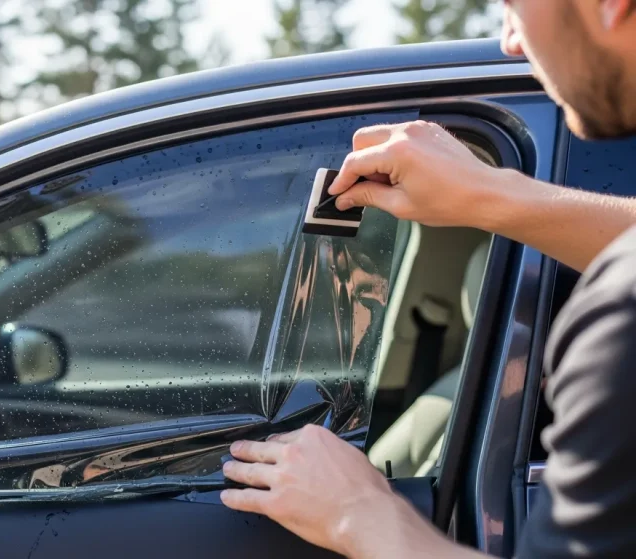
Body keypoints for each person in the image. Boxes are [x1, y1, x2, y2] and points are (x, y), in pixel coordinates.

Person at [220, 1, 636, 557]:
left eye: (514, 5)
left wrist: (361, 515)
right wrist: (493, 195)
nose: (510, 41)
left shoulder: (621, 321)